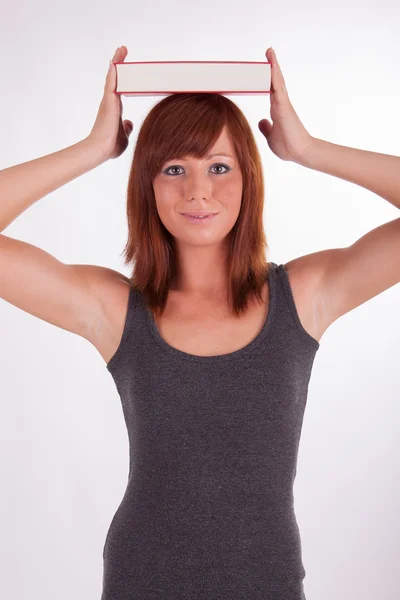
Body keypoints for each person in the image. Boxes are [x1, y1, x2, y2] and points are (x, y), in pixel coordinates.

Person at [1, 45, 399, 600]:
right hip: (143, 580)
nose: (198, 191)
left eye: (218, 166)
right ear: (148, 185)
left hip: (269, 583)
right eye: (173, 169)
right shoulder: (117, 311)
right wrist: (93, 149)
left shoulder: (303, 297)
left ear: (248, 177)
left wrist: (309, 149)